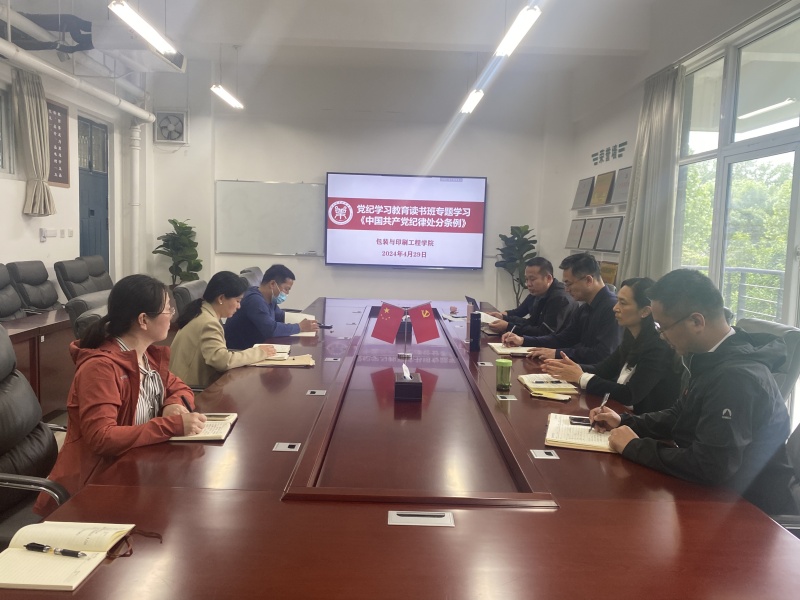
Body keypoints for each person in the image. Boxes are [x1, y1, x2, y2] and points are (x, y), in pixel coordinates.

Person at [590, 269, 797, 515]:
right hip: (717, 496)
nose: (661, 336)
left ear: (696, 321)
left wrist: (634, 446)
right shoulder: (711, 357)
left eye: (662, 327)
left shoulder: (735, 377)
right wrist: (625, 421)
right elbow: (681, 413)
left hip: (751, 512)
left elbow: (710, 465)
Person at [35, 274, 206, 515]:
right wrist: (172, 425)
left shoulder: (146, 356)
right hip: (95, 486)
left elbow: (180, 387)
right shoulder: (101, 368)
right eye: (168, 309)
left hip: (135, 469)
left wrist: (172, 404)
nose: (172, 316)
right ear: (143, 320)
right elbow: (102, 437)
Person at [541, 277, 679, 414]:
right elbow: (603, 370)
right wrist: (571, 368)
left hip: (644, 422)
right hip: (623, 414)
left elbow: (630, 395)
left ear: (645, 311)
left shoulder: (658, 346)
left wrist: (581, 377)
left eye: (623, 303)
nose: (615, 308)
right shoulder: (631, 337)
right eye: (617, 301)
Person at [501, 252, 621, 363]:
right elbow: (563, 338)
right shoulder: (585, 307)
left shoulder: (612, 309)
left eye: (569, 283)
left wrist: (556, 353)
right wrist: (523, 340)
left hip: (592, 374)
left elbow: (603, 354)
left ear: (588, 280)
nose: (566, 289)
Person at [170, 271, 277, 388]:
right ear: (221, 298)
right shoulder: (208, 323)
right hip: (192, 391)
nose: (239, 306)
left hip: (183, 385)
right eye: (237, 301)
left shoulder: (201, 311)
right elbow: (222, 361)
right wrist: (259, 352)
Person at [224, 264, 319, 349]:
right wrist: (299, 327)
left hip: (257, 348)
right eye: (286, 289)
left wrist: (308, 321)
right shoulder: (254, 300)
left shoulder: (268, 298)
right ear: (272, 284)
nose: (287, 293)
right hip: (240, 352)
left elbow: (281, 316)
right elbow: (271, 329)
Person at [485, 257, 574, 336]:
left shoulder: (560, 299)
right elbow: (530, 321)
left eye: (532, 279)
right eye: (526, 279)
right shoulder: (538, 292)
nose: (528, 284)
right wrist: (503, 317)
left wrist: (508, 327)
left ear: (548, 278)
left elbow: (545, 332)